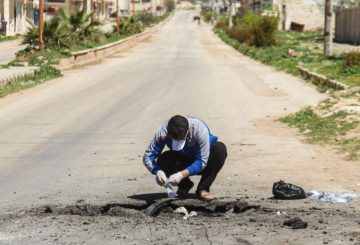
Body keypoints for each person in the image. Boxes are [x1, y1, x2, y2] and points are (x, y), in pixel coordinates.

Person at [143, 115, 227, 201]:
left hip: (203, 161)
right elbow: (148, 156)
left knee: (219, 149)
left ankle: (203, 188)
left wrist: (181, 175)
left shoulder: (199, 129)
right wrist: (157, 171)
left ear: (188, 130)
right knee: (164, 159)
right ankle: (184, 186)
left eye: (181, 139)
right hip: (182, 159)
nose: (178, 141)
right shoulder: (162, 132)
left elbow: (202, 161)